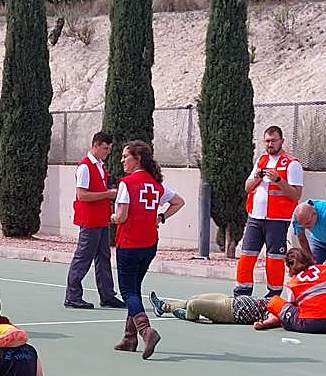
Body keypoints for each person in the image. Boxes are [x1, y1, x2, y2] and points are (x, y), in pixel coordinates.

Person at [111, 140, 185, 359]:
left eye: (126, 156)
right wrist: (161, 217)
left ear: (138, 159)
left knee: (128, 291)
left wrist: (113, 217)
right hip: (149, 244)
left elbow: (122, 216)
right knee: (134, 287)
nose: (122, 160)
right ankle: (129, 337)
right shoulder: (156, 185)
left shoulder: (126, 184)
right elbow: (179, 202)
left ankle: (145, 331)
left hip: (129, 243)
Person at [236, 125, 303, 298]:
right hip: (255, 217)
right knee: (246, 256)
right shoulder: (262, 160)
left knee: (274, 259)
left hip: (277, 220)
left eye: (273, 141)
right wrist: (257, 177)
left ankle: (273, 296)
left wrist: (278, 180)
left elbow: (296, 195)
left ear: (282, 141)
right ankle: (242, 294)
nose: (270, 144)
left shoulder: (292, 164)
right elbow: (247, 187)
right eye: (267, 141)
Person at [63, 131, 125, 310]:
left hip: (101, 219)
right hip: (90, 220)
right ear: (95, 145)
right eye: (105, 148)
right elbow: (82, 195)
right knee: (83, 257)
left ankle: (107, 295)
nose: (108, 152)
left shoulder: (99, 166)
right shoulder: (85, 167)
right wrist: (107, 194)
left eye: (109, 149)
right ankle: (72, 296)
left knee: (103, 257)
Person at [253, 247, 326, 335]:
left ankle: (271, 320)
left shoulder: (293, 283)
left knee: (275, 302)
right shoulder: (325, 269)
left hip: (311, 324)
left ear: (290, 265)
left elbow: (290, 306)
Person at [149, 291, 267, 324]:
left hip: (229, 312)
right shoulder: (277, 301)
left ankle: (189, 316)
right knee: (195, 297)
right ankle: (163, 307)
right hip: (232, 300)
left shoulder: (274, 315)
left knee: (193, 304)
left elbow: (264, 323)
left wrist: (262, 323)